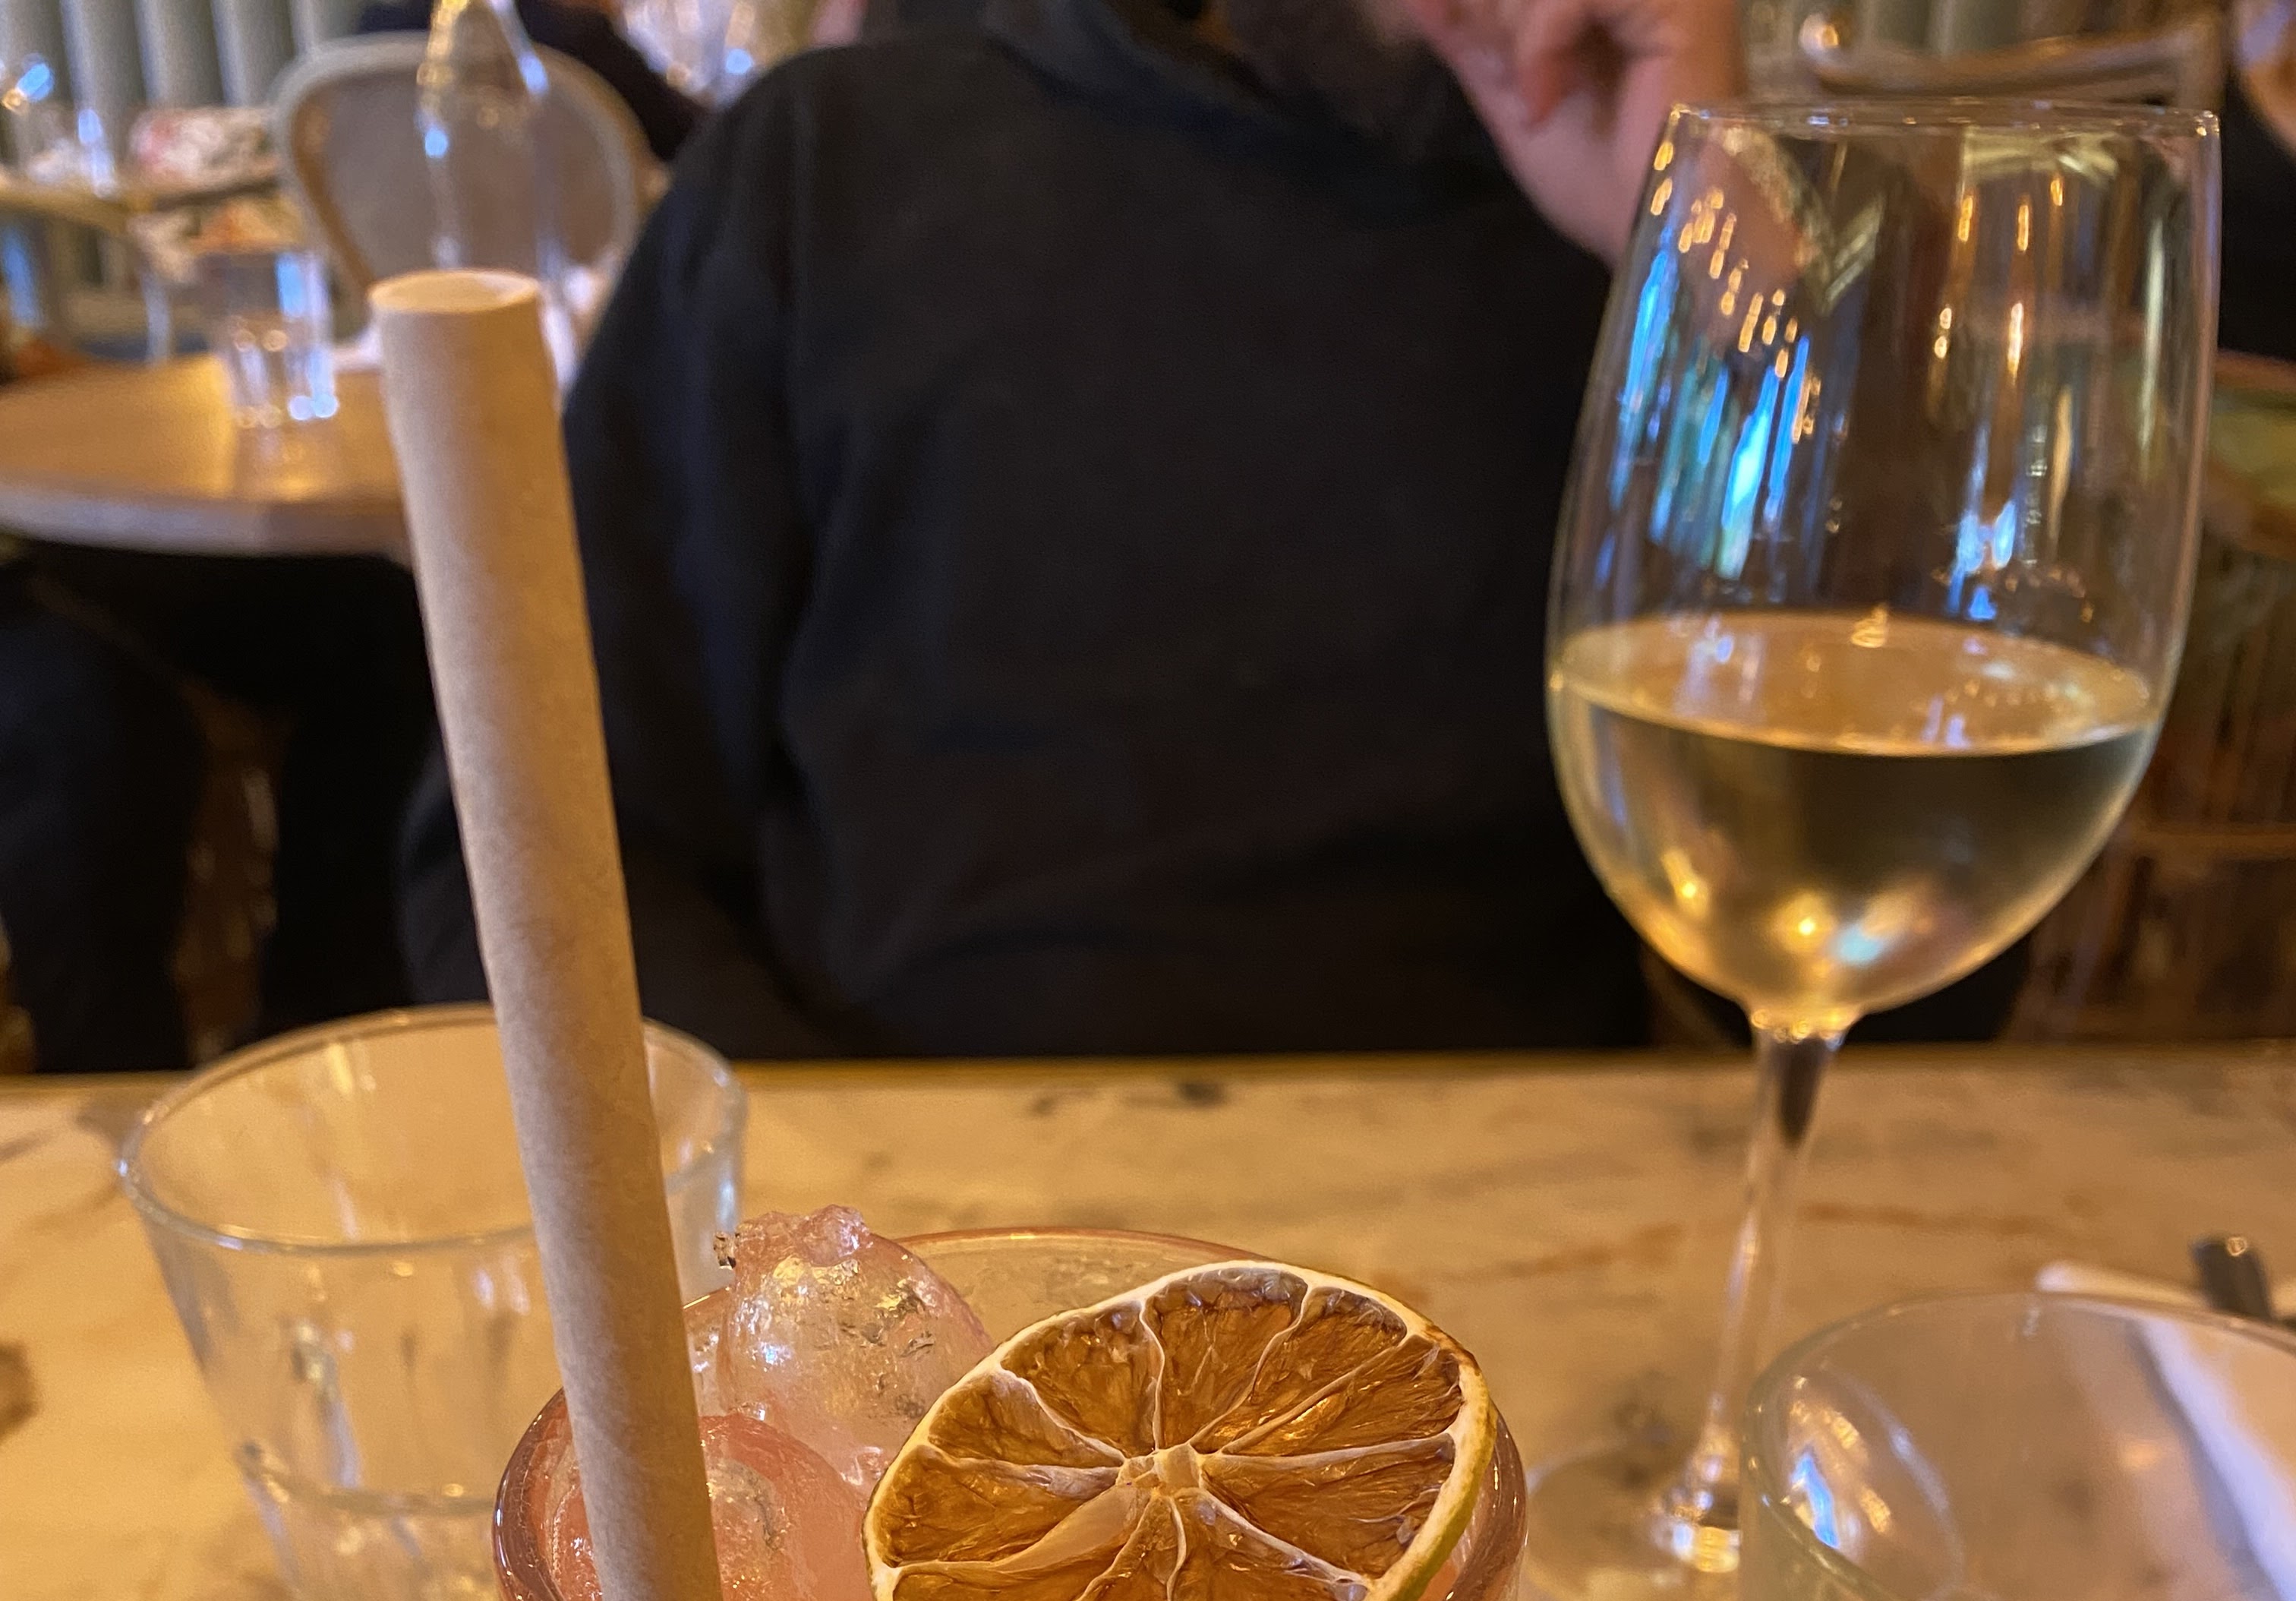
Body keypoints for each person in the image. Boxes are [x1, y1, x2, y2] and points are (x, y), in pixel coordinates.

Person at [403, 0, 1743, 1056]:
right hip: (902, 1225)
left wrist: (1714, 262)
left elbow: (1828, 944)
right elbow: (527, 845)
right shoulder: (831, 169)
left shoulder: (1647, 222)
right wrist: (812, 1231)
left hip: (1515, 1238)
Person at [0, 311, 437, 1073]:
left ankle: (326, 1041)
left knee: (386, 622)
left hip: (43, 532)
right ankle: (118, 1088)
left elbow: (22, 359)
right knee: (88, 729)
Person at [355, 0, 704, 163]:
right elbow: (695, 141)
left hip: (399, 273)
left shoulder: (370, 36)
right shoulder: (581, 42)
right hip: (581, 274)